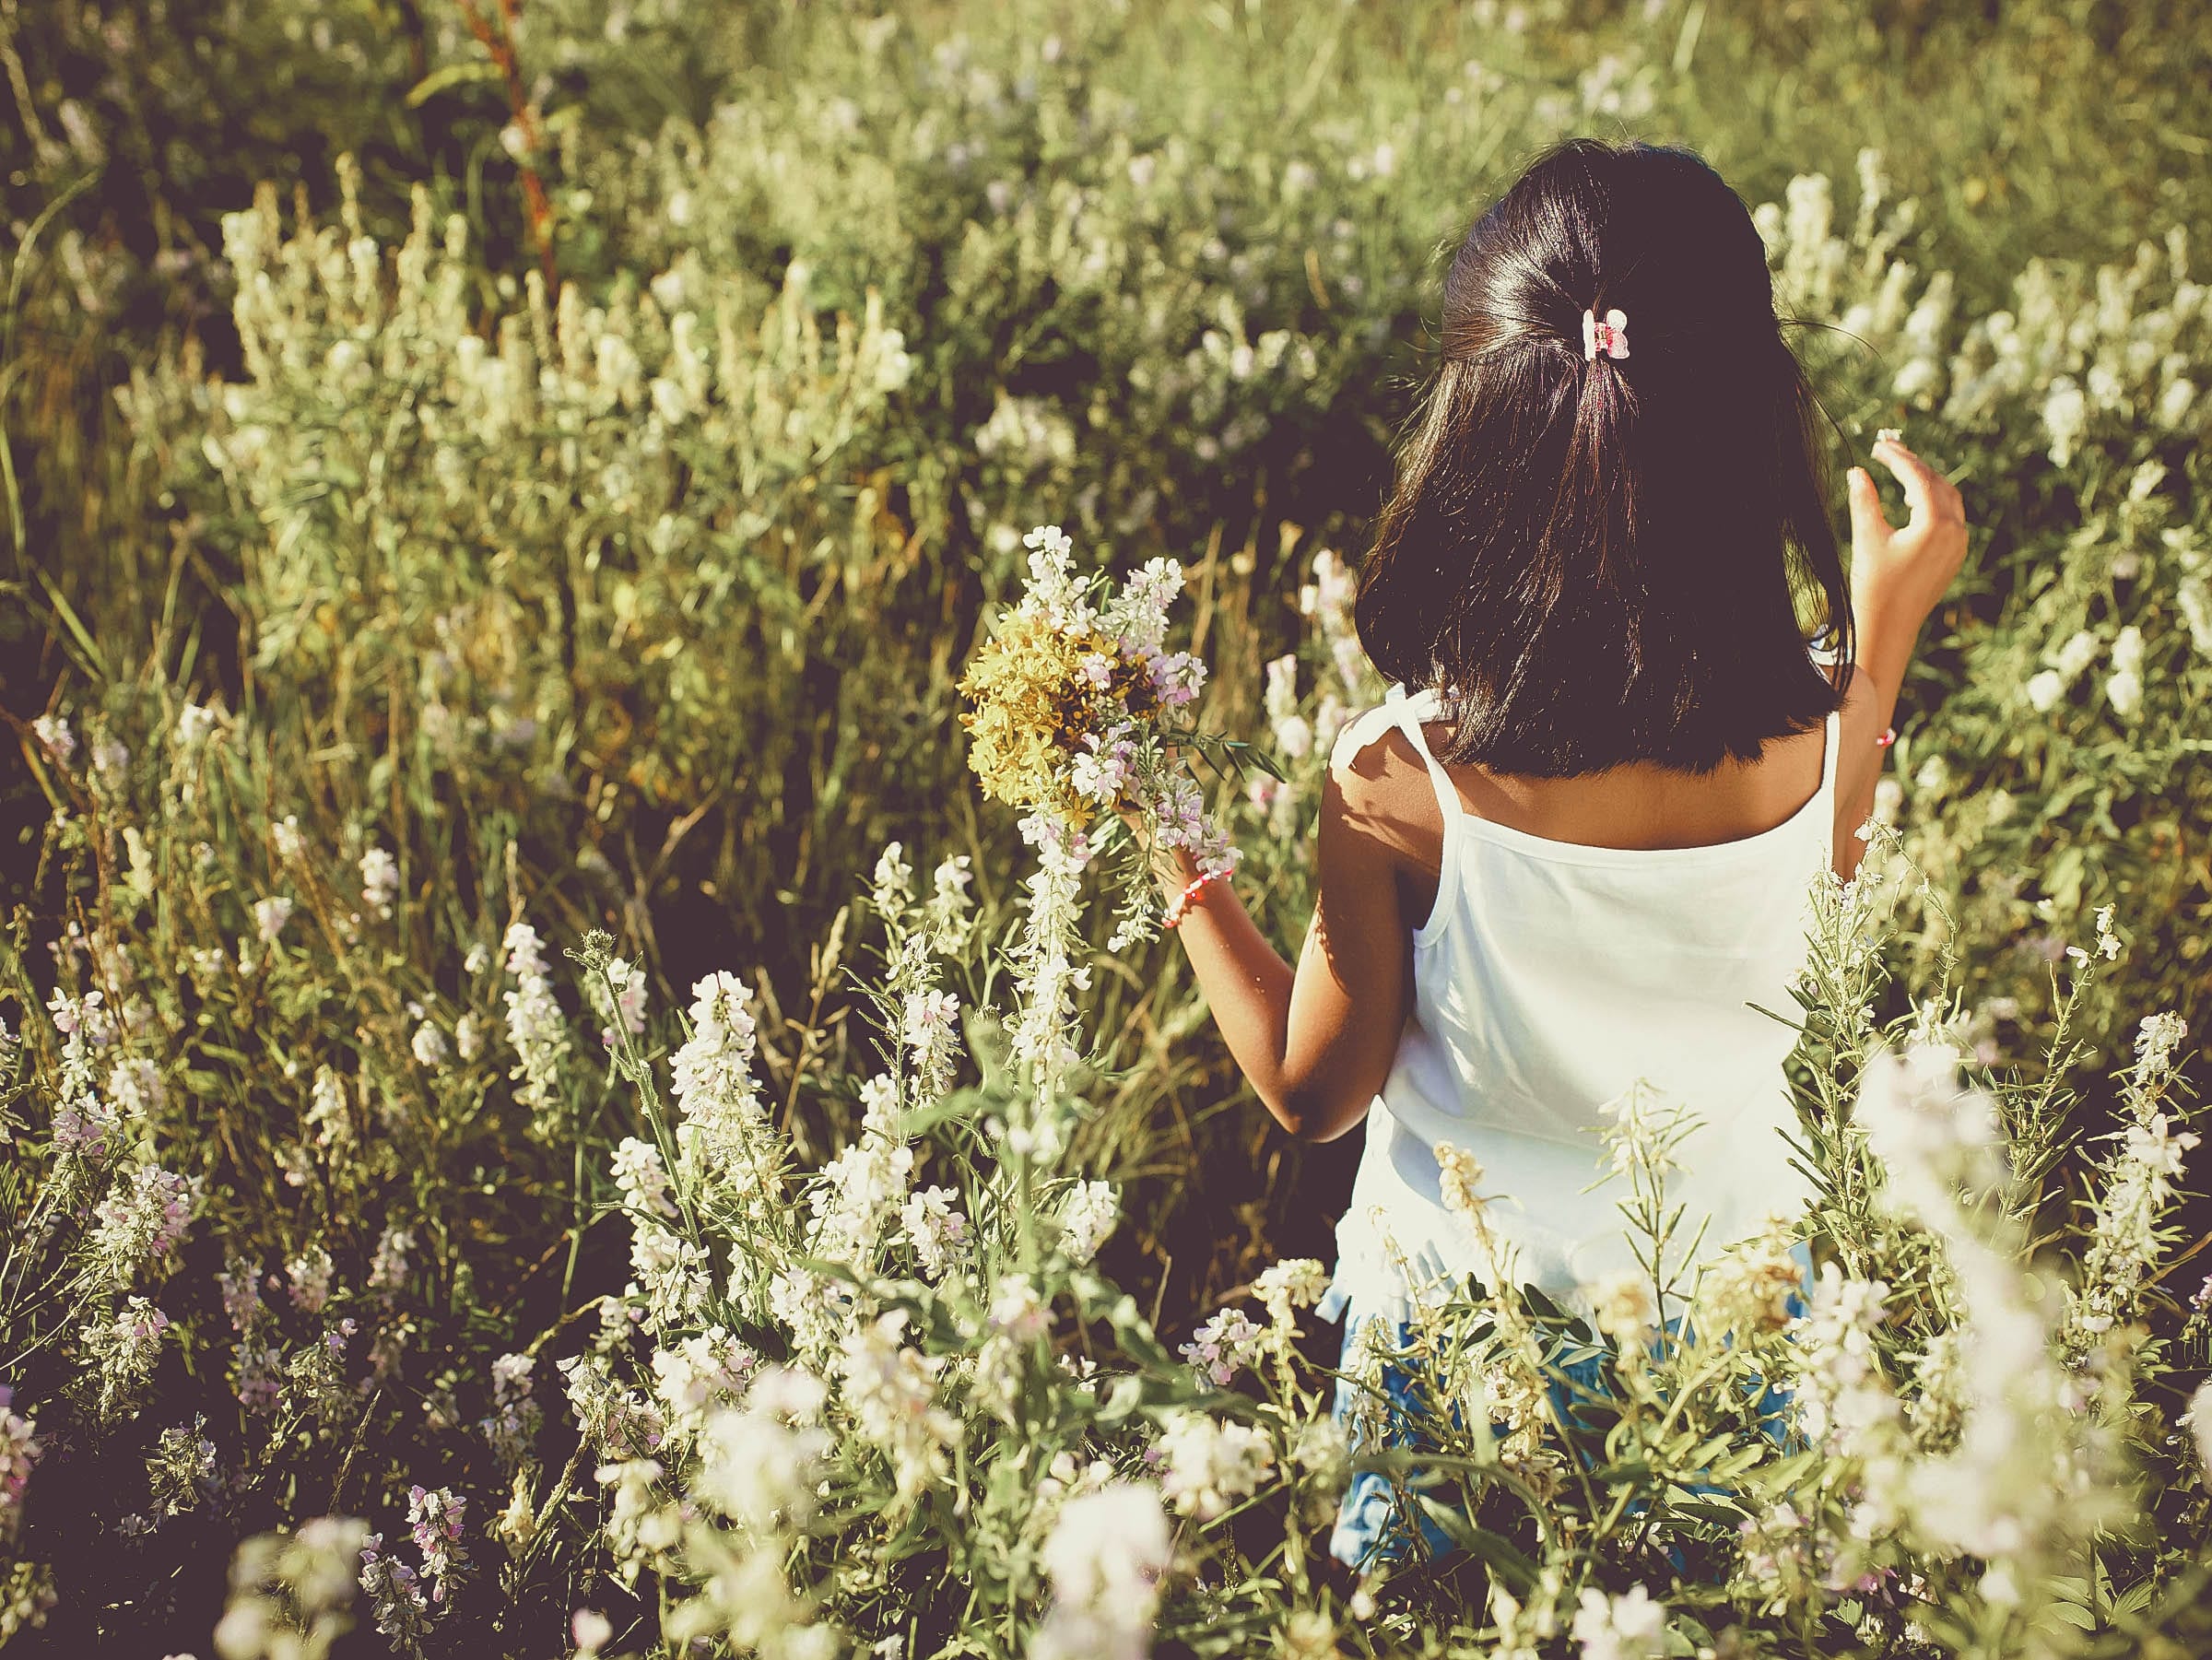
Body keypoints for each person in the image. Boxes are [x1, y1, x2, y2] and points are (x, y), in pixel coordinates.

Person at [1140, 137, 1969, 1571]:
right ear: (1753, 430)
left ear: (1472, 442)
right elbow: (1831, 852)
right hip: (1733, 1352)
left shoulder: (1400, 783)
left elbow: (1308, 1089)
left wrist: (1173, 845)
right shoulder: (1831, 734)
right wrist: (1885, 629)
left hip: (1464, 1377)